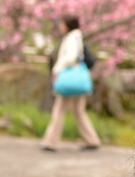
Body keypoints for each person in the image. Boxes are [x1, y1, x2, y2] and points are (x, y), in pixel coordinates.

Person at [39, 15, 100, 152]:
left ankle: (50, 142)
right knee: (79, 111)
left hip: (69, 79)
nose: (60, 27)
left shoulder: (71, 38)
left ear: (67, 25)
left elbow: (70, 58)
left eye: (62, 24)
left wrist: (56, 70)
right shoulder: (78, 37)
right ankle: (91, 140)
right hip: (78, 79)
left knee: (59, 110)